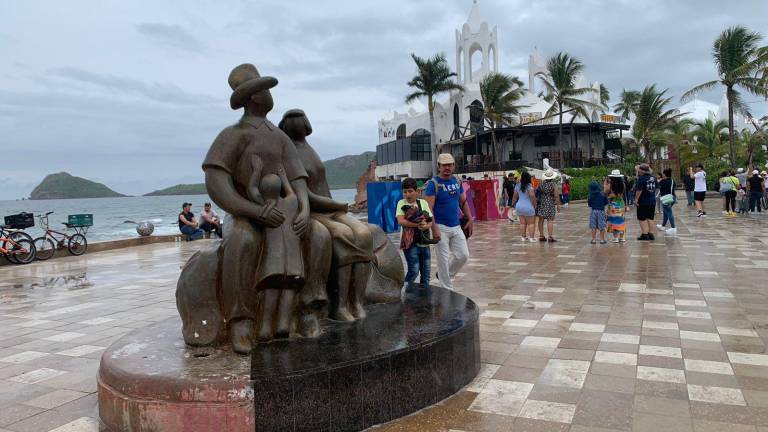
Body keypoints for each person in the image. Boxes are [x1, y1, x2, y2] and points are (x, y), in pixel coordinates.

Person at [424, 153, 473, 291]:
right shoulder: (433, 184)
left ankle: (445, 275)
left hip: (456, 226)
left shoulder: (456, 181)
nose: (447, 168)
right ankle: (447, 290)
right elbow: (429, 210)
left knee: (463, 255)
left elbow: (463, 201)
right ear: (438, 166)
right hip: (440, 226)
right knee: (443, 261)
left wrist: (470, 218)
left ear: (453, 166)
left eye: (450, 165)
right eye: (444, 165)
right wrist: (434, 230)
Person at [396, 178, 434, 287]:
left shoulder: (423, 203)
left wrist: (426, 226)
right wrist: (418, 225)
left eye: (410, 191)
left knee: (426, 274)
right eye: (405, 192)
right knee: (414, 270)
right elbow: (401, 221)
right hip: (409, 243)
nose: (408, 194)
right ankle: (404, 293)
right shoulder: (401, 203)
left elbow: (430, 220)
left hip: (424, 243)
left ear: (417, 191)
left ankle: (424, 298)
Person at [510, 171, 537, 242]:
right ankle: (531, 238)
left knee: (522, 223)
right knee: (531, 223)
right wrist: (535, 204)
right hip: (528, 206)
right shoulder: (529, 186)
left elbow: (514, 197)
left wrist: (512, 204)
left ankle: (523, 237)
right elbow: (532, 195)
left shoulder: (517, 185)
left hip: (519, 206)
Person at [535, 169, 561, 242]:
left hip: (542, 203)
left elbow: (537, 192)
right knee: (550, 220)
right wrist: (558, 205)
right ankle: (550, 236)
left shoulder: (541, 184)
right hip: (550, 204)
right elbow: (556, 195)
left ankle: (541, 236)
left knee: (541, 220)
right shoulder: (553, 184)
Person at [634, 164, 657, 241]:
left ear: (641, 172)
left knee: (642, 218)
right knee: (650, 217)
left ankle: (645, 234)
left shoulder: (641, 179)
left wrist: (636, 199)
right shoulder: (653, 178)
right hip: (652, 200)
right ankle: (651, 234)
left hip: (643, 201)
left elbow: (639, 190)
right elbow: (656, 187)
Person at [606, 170, 627, 243]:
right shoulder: (623, 184)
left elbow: (607, 193)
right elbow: (622, 195)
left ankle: (615, 238)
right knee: (621, 220)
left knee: (614, 220)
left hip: (613, 204)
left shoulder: (611, 185)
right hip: (621, 204)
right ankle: (622, 237)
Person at [657, 168, 677, 234]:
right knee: (666, 212)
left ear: (665, 174)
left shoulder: (663, 181)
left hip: (666, 199)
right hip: (672, 197)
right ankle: (663, 226)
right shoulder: (672, 180)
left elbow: (658, 186)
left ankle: (673, 228)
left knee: (669, 212)